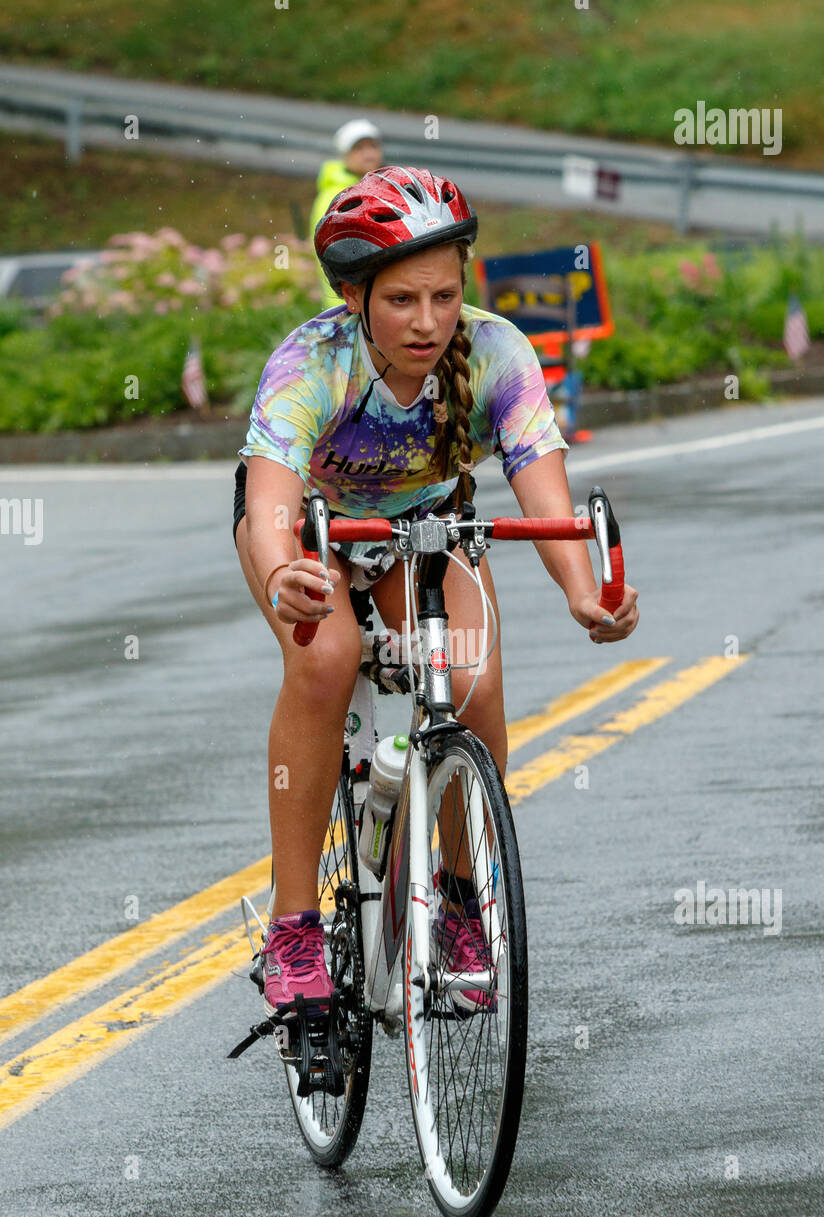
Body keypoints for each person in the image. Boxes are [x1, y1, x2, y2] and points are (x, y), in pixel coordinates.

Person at [234, 166, 639, 1016]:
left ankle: (457, 902)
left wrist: (582, 592)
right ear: (355, 295)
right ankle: (295, 927)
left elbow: (544, 493)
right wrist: (284, 575)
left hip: (426, 523)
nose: (427, 322)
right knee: (329, 656)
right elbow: (269, 500)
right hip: (313, 532)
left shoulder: (496, 352)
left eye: (445, 297)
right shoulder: (311, 362)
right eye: (402, 301)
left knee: (472, 673)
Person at [309, 118, 384, 309]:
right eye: (359, 148)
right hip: (349, 303)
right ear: (345, 155)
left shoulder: (381, 188)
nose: (368, 154)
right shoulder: (333, 197)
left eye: (372, 146)